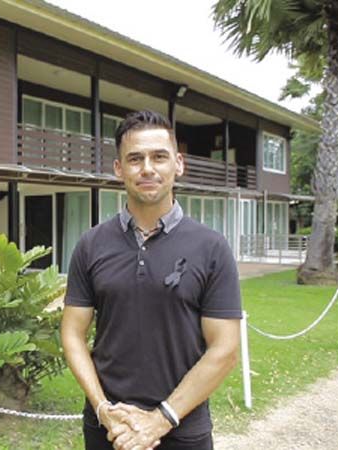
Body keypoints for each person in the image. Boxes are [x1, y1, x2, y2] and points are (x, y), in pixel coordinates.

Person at [61, 110, 242, 450]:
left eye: (159, 157)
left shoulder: (212, 248)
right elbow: (72, 333)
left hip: (183, 431)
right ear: (119, 169)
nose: (147, 168)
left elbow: (225, 349)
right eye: (135, 159)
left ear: (178, 164)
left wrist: (160, 420)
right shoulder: (91, 245)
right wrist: (102, 409)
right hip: (108, 430)